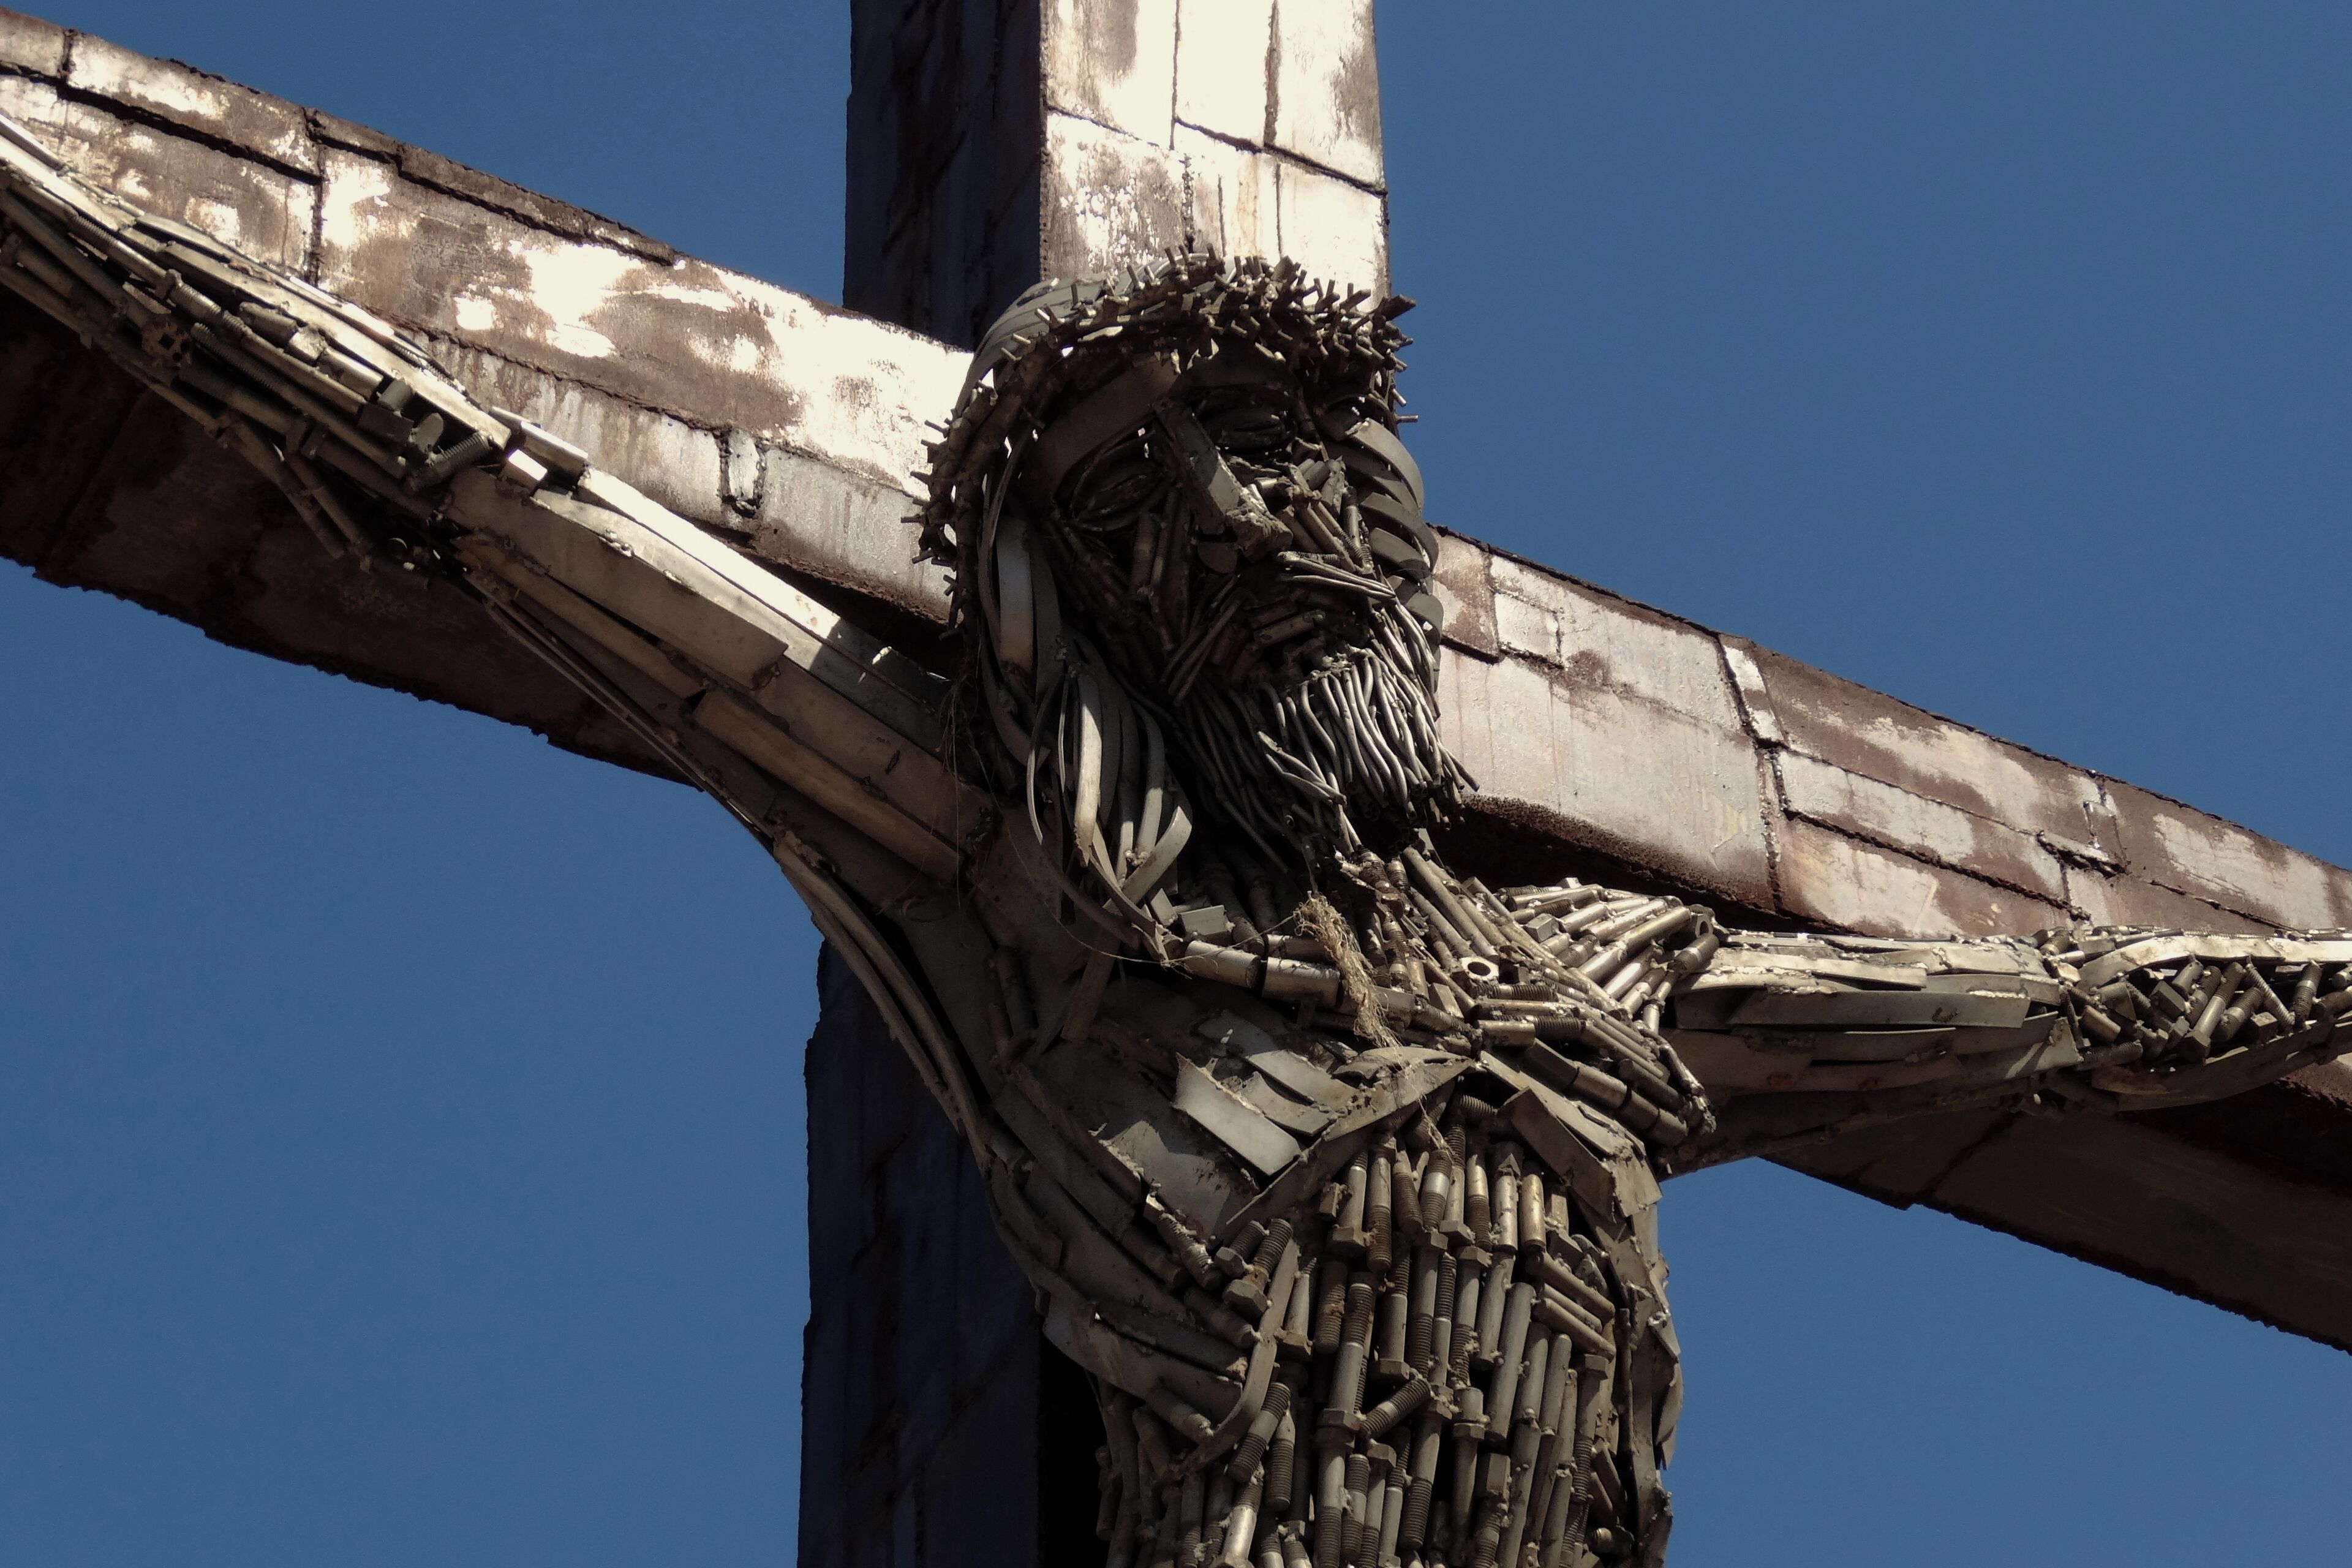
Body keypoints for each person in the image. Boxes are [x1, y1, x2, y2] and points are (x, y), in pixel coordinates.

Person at [4, 128, 2337, 1567]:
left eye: (1254, 446)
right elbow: (491, 501)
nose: (1226, 526)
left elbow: (2080, 1011)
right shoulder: (1032, 887)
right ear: (1064, 601)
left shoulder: (1610, 976)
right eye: (1127, 503)